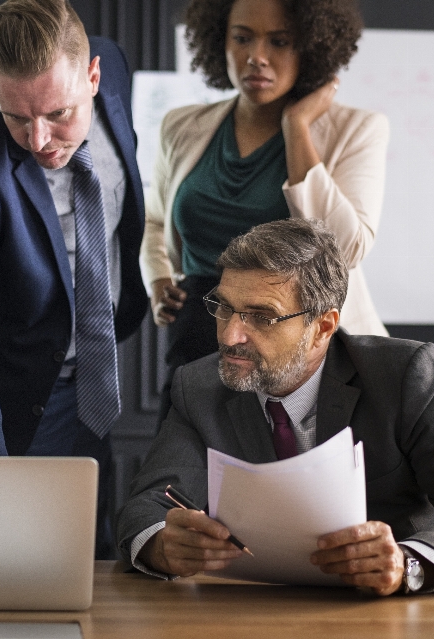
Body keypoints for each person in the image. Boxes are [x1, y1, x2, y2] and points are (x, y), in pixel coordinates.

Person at [118, 218, 434, 595]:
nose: (230, 335)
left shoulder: (404, 377)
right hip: (249, 611)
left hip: (387, 613)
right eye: (224, 308)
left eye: (262, 317)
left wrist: (409, 564)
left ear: (322, 327)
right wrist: (161, 544)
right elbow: (149, 505)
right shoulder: (200, 385)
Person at [0, 0, 147, 559]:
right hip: (16, 399)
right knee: (11, 564)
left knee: (87, 558)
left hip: (96, 375)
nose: (40, 139)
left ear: (93, 76)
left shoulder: (113, 65)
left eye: (58, 113)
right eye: (17, 118)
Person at [142, 0, 389, 427]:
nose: (257, 56)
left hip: (298, 344)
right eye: (242, 38)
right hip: (202, 335)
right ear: (218, 40)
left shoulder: (357, 129)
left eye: (279, 41)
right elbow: (156, 219)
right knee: (179, 482)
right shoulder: (181, 126)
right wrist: (159, 278)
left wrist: (297, 127)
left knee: (293, 485)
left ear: (311, 48)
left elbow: (345, 251)